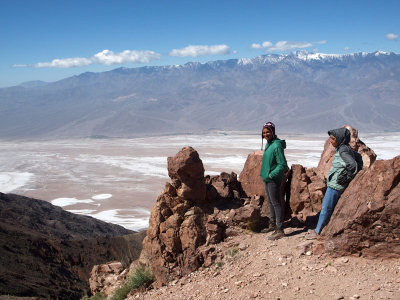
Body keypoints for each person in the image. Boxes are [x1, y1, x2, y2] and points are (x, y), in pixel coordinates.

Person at [306, 127, 363, 239]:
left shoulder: (343, 150)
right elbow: (358, 157)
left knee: (326, 208)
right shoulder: (345, 148)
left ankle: (318, 231)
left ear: (340, 139)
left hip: (336, 185)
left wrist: (348, 176)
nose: (331, 141)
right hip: (336, 183)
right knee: (329, 208)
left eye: (333, 139)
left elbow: (352, 165)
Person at [260, 122, 288, 240]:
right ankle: (272, 224)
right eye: (264, 132)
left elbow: (282, 164)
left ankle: (280, 229)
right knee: (271, 202)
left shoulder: (276, 145)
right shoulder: (269, 144)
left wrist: (272, 175)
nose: (266, 134)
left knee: (276, 203)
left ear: (273, 132)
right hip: (267, 178)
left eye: (268, 132)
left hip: (273, 179)